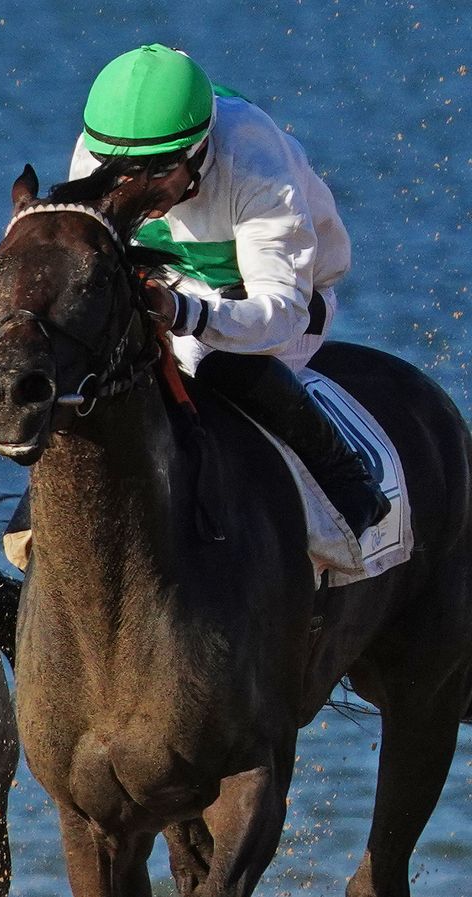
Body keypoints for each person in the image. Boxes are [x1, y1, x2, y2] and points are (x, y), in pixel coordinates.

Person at [73, 44, 389, 539]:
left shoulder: (256, 162)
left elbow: (278, 312)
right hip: (174, 293)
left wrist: (180, 311)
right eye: (120, 171)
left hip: (289, 303)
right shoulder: (102, 153)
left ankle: (344, 478)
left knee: (217, 362)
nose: (132, 189)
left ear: (197, 152)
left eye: (157, 174)